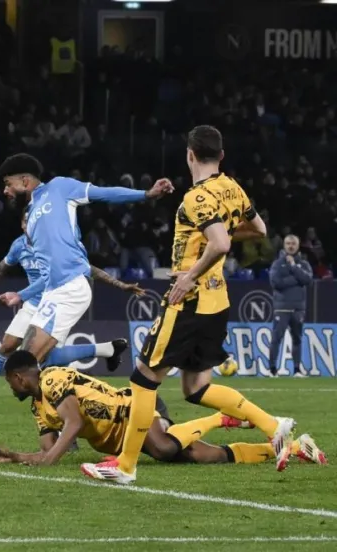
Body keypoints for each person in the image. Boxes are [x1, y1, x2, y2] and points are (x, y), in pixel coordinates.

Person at [82, 125, 295, 485]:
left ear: (190, 155)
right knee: (195, 388)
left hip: (189, 300)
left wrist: (189, 275)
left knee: (143, 378)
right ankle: (274, 426)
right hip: (217, 300)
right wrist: (216, 240)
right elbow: (258, 229)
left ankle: (125, 466)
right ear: (221, 156)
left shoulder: (196, 197)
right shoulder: (232, 187)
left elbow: (220, 243)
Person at [0, 351, 326, 467]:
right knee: (204, 457)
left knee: (163, 448)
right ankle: (293, 447)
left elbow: (73, 423)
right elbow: (50, 450)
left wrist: (48, 462)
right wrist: (15, 456)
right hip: (124, 437)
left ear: (19, 377)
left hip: (136, 408)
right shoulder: (38, 408)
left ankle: (220, 417)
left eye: (9, 383)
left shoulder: (52, 378)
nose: (11, 389)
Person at [0, 209, 140, 408]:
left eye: (32, 221)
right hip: (33, 304)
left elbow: (84, 269)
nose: (29, 226)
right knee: (7, 346)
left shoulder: (54, 244)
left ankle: (102, 359)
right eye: (25, 222)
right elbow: (0, 269)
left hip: (57, 303)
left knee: (40, 359)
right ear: (22, 225)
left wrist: (119, 284)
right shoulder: (19, 246)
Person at [0, 153, 173, 363]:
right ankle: (107, 351)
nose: (5, 191)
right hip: (52, 293)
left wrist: (146, 194)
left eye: (8, 184)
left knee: (24, 364)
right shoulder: (31, 218)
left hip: (69, 288)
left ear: (25, 181)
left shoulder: (59, 187)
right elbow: (49, 271)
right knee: (38, 363)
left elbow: (104, 193)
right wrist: (22, 295)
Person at [268, 234, 313, 377]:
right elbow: (276, 283)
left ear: (298, 246)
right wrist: (296, 279)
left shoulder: (304, 264)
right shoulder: (277, 264)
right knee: (277, 338)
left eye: (293, 244)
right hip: (282, 307)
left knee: (297, 339)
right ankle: (272, 370)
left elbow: (308, 280)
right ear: (284, 245)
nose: (291, 246)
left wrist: (293, 267)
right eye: (288, 243)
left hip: (298, 308)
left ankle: (297, 370)